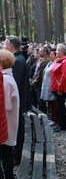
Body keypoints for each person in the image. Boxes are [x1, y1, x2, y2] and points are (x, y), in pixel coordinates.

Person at [3, 35, 28, 166]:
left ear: (10, 46)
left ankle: (16, 155)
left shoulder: (16, 61)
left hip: (16, 103)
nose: (3, 47)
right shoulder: (17, 58)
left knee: (17, 128)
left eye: (5, 45)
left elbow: (16, 85)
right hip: (17, 102)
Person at [0, 50, 19, 179]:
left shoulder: (5, 79)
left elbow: (5, 106)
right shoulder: (8, 77)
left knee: (6, 155)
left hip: (6, 124)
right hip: (8, 123)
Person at [51, 44, 66, 132]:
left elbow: (65, 76)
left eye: (57, 50)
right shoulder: (60, 61)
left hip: (60, 88)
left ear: (62, 51)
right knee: (59, 106)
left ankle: (62, 125)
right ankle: (61, 123)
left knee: (61, 107)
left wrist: (60, 88)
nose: (56, 52)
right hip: (56, 86)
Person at [41, 49, 59, 126]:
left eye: (52, 54)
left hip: (51, 86)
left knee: (53, 103)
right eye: (50, 54)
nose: (50, 56)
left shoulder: (56, 64)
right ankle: (52, 118)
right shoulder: (50, 63)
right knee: (51, 103)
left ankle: (55, 119)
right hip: (46, 85)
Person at [32, 47, 50, 113]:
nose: (39, 52)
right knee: (38, 98)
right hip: (37, 81)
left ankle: (43, 112)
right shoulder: (41, 60)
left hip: (40, 82)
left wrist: (35, 81)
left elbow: (41, 73)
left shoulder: (46, 61)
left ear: (45, 52)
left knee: (41, 99)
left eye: (40, 51)